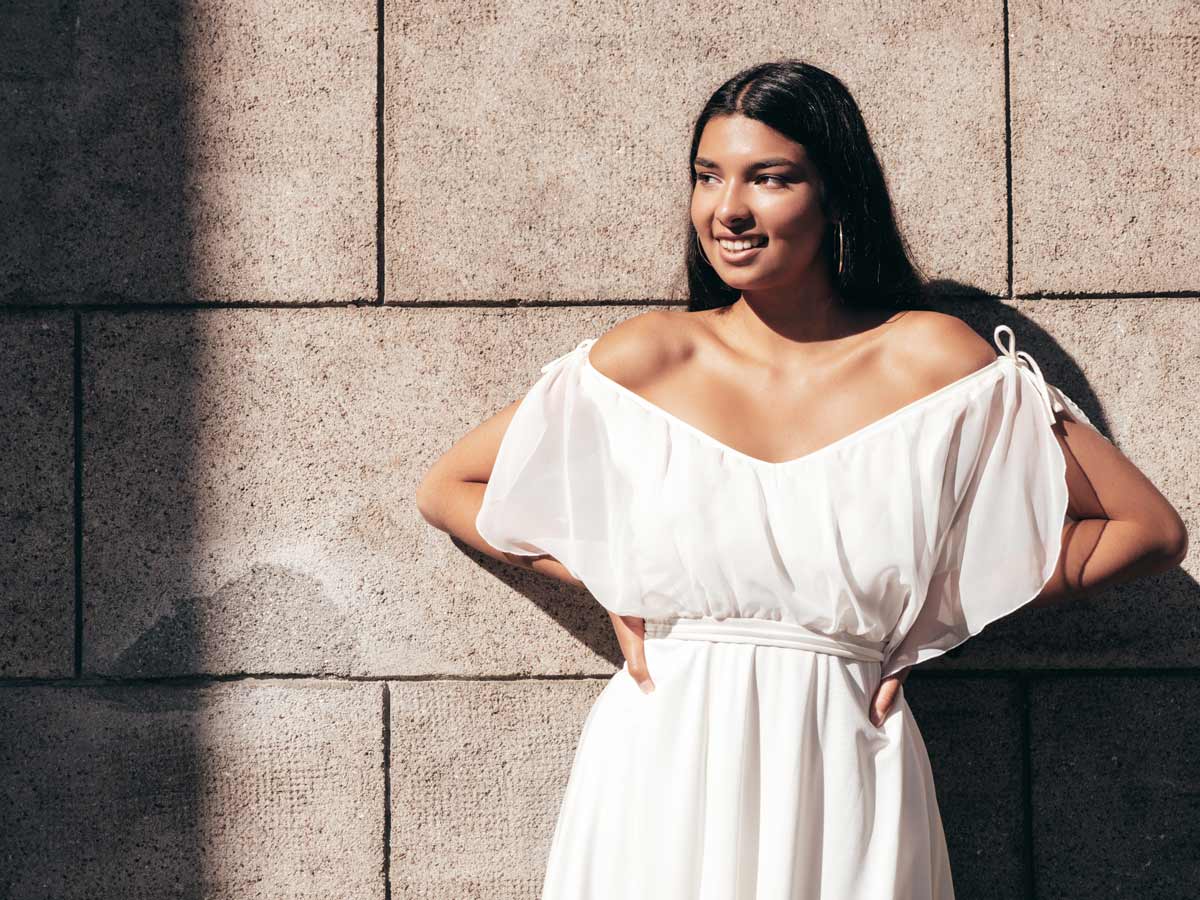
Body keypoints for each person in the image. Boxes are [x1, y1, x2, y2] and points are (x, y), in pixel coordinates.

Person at [416, 60, 1187, 899]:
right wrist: (609, 578)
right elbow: (450, 485)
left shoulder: (933, 361)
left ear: (834, 193)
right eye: (708, 177)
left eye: (768, 178)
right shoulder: (647, 357)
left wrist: (941, 614)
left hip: (846, 753)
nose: (729, 209)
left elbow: (1145, 528)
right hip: (660, 762)